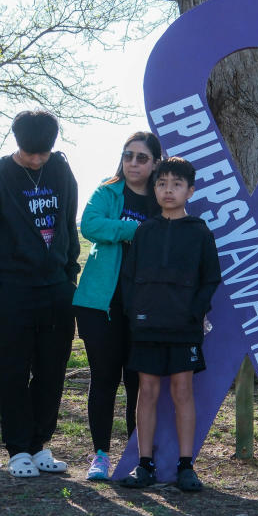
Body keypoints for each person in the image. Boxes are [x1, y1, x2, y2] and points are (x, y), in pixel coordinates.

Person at [0, 110, 79, 477]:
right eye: (30, 152)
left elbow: (68, 223)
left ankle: (39, 444)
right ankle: (17, 448)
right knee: (13, 372)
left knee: (52, 370)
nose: (37, 159)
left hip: (57, 291)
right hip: (14, 292)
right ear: (17, 143)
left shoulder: (61, 171)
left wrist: (69, 274)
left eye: (43, 153)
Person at [119, 157, 221, 491]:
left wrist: (194, 311)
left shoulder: (200, 232)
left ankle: (186, 466)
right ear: (155, 188)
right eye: (162, 183)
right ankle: (144, 464)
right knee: (146, 390)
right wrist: (135, 312)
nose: (168, 190)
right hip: (147, 326)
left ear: (190, 191)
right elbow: (130, 278)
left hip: (184, 327)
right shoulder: (144, 231)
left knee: (181, 391)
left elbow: (211, 279)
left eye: (177, 184)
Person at [73, 131, 161, 481]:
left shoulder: (161, 198)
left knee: (138, 383)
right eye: (128, 156)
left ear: (155, 163)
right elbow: (91, 225)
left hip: (147, 308)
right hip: (101, 305)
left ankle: (135, 458)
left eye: (142, 157)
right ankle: (100, 456)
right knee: (105, 379)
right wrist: (132, 230)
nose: (134, 163)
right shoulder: (107, 191)